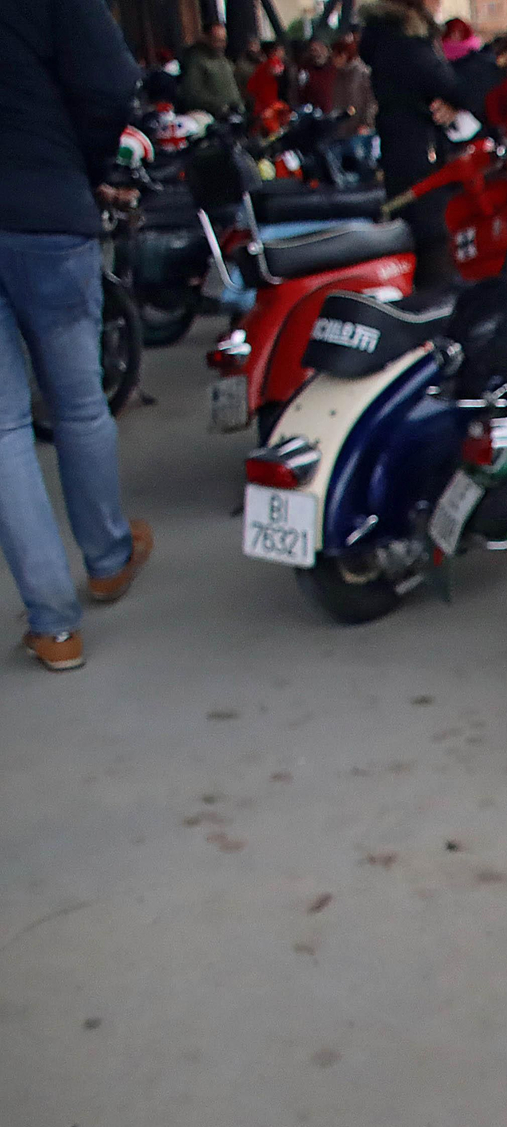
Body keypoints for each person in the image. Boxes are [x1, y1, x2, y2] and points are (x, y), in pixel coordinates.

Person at [0, 0, 152, 671]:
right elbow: (110, 80)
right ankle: (108, 558)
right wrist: (84, 160)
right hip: (46, 204)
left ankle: (54, 625)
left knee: (2, 429)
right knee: (80, 399)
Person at [359, 0, 464, 288]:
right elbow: (447, 83)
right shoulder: (404, 40)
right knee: (432, 241)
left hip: (403, 152)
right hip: (420, 156)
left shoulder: (385, 37)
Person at [178, 22, 244, 117]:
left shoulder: (223, 59)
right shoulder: (196, 61)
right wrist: (219, 106)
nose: (221, 44)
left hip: (234, 113)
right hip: (213, 115)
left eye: (223, 40)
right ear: (206, 38)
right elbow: (192, 92)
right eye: (217, 40)